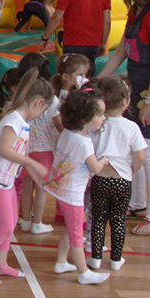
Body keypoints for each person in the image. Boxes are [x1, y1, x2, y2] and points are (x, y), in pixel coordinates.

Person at [97, 0, 150, 236]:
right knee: (134, 150)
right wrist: (98, 80)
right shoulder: (136, 13)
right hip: (137, 90)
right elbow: (120, 53)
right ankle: (138, 205)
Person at [0, 70, 52, 284]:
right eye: (44, 109)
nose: (42, 113)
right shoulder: (14, 119)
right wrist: (33, 163)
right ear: (38, 103)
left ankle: (0, 263)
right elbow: (5, 150)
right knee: (5, 226)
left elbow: (21, 153)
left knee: (12, 222)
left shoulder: (23, 122)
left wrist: (37, 177)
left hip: (5, 179)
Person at [44, 88, 110, 285]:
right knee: (76, 234)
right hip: (72, 194)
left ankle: (61, 261)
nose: (104, 118)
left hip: (61, 189)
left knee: (71, 226)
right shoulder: (84, 143)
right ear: (84, 119)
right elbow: (96, 168)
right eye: (100, 114)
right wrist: (104, 160)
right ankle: (83, 272)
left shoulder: (67, 134)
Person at [0, 53, 59, 235]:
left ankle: (26, 220)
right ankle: (37, 222)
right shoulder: (48, 98)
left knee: (28, 186)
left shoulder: (19, 100)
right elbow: (59, 125)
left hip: (25, 151)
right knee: (42, 190)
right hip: (42, 152)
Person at [88, 76, 146, 270]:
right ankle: (115, 259)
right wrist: (131, 171)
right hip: (122, 181)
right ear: (125, 101)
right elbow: (140, 157)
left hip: (99, 178)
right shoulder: (131, 127)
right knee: (118, 219)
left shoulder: (96, 124)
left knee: (98, 218)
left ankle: (95, 257)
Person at [40, 0, 111, 75]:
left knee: (71, 75)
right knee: (87, 75)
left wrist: (45, 38)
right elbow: (107, 20)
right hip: (93, 43)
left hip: (74, 42)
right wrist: (103, 42)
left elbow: (57, 17)